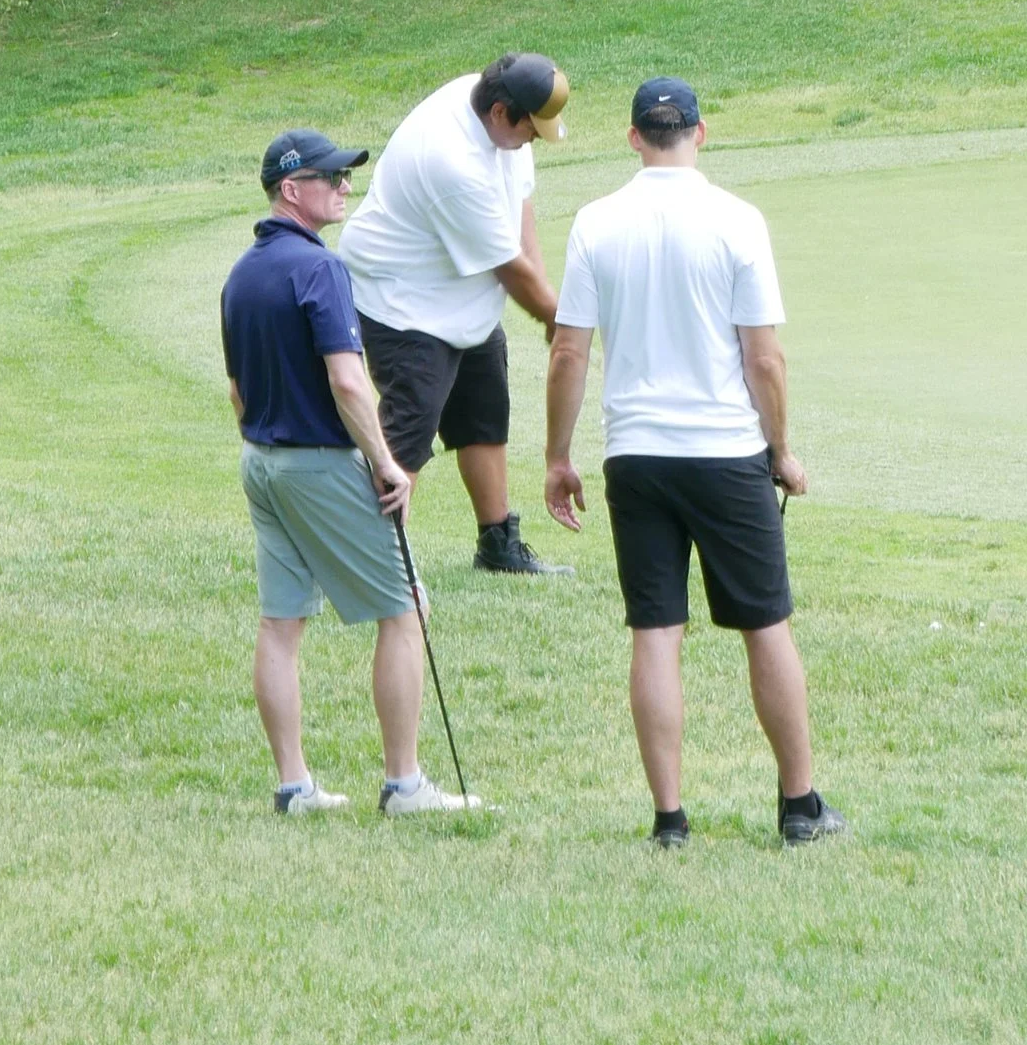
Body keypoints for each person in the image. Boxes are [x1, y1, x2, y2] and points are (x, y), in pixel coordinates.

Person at [543, 76, 846, 848]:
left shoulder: (595, 221)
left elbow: (569, 349)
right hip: (722, 451)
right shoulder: (737, 220)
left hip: (636, 454)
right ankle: (800, 805)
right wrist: (781, 449)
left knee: (656, 630)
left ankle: (671, 818)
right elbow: (765, 358)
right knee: (766, 624)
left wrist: (557, 455)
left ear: (635, 136)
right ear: (701, 133)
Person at [220, 126, 477, 815]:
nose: (344, 186)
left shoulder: (242, 273)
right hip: (318, 463)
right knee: (405, 607)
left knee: (280, 621)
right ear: (291, 189)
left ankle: (294, 785)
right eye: (331, 178)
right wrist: (388, 462)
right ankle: (404, 783)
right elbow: (349, 381)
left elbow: (238, 391)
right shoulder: (320, 269)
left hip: (261, 462)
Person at [339, 52, 569, 574]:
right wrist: (559, 318)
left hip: (461, 296)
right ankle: (368, 562)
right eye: (532, 131)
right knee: (406, 437)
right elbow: (510, 269)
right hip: (402, 300)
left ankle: (498, 547)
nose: (535, 140)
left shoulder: (496, 104)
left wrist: (554, 302)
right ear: (500, 114)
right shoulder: (451, 160)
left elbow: (520, 210)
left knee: (484, 415)